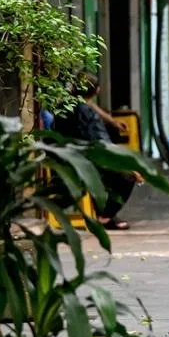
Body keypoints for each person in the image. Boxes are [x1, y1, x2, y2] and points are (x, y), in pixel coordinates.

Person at [55, 73, 138, 230]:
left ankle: (102, 213)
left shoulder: (65, 107)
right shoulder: (87, 113)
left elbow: (91, 106)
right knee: (127, 177)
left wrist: (112, 122)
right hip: (87, 160)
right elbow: (102, 145)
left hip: (65, 156)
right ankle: (105, 215)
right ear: (97, 91)